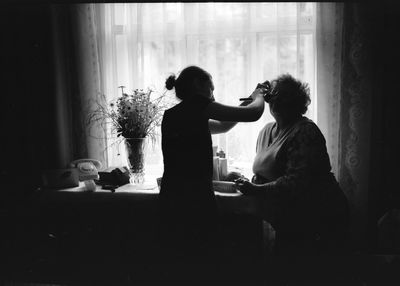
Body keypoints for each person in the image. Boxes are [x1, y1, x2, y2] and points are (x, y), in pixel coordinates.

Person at [158, 65, 265, 282]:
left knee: (179, 262)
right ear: (198, 84)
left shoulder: (173, 115)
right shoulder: (199, 104)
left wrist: (245, 102)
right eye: (211, 89)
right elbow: (254, 114)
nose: (213, 96)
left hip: (171, 196)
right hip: (195, 198)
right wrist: (259, 95)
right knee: (203, 260)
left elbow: (223, 125)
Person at [234, 74, 349, 257]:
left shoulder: (305, 131)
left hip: (317, 216)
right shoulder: (266, 131)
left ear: (295, 103)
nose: (275, 101)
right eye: (274, 96)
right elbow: (267, 171)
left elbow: (295, 183)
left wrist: (255, 189)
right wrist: (245, 180)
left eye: (283, 97)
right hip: (288, 217)